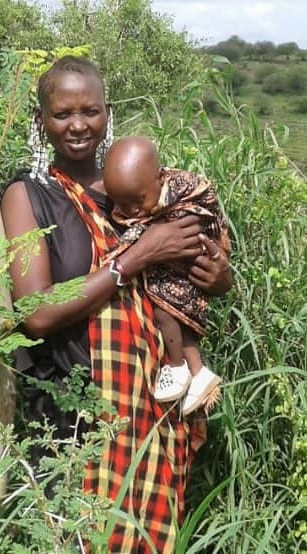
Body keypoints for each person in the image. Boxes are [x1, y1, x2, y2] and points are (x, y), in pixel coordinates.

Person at [0, 55, 231, 553]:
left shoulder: (138, 187)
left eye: (90, 111)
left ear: (108, 113)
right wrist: (137, 256)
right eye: (62, 114)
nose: (78, 125)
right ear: (41, 121)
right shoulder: (29, 196)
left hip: (158, 405)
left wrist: (218, 277)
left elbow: (194, 270)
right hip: (76, 414)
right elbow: (35, 313)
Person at [102, 136, 231, 416]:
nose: (132, 210)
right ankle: (198, 373)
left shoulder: (180, 197)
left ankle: (177, 366)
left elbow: (198, 220)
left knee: (165, 311)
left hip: (186, 266)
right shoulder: (136, 186)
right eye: (122, 203)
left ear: (160, 178)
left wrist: (121, 256)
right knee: (171, 315)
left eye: (138, 201)